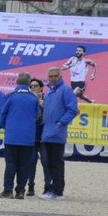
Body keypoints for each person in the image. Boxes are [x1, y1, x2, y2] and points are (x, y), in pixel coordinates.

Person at [38, 67, 78, 199]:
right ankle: (50, 189)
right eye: (51, 76)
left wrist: (61, 123)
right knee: (48, 163)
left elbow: (72, 110)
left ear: (60, 76)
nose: (53, 78)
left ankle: (58, 191)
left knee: (56, 163)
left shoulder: (66, 90)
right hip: (47, 133)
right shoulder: (50, 92)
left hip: (57, 134)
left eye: (55, 76)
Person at [0, 72, 37, 200]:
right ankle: (20, 191)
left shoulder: (10, 96)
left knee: (10, 164)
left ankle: (8, 190)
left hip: (12, 136)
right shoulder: (34, 98)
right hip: (28, 137)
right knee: (24, 165)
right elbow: (37, 116)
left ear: (16, 82)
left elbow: (2, 114)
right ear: (28, 83)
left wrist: (4, 126)